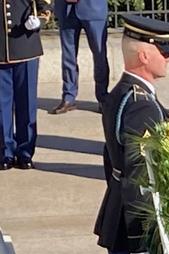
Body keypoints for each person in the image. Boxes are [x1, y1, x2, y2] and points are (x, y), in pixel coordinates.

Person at [94, 15, 169, 254]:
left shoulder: (122, 94)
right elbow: (138, 175)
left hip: (121, 221)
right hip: (135, 233)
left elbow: (110, 157)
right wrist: (146, 239)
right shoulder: (141, 104)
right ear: (144, 56)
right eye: (163, 50)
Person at [0, 0, 51, 171]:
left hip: (25, 43)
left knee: (27, 103)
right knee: (1, 106)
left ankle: (25, 152)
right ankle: (4, 152)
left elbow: (44, 4)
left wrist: (40, 19)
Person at [50, 0, 110, 114]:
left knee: (99, 55)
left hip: (93, 7)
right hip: (65, 8)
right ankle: (68, 97)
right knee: (68, 56)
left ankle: (103, 97)